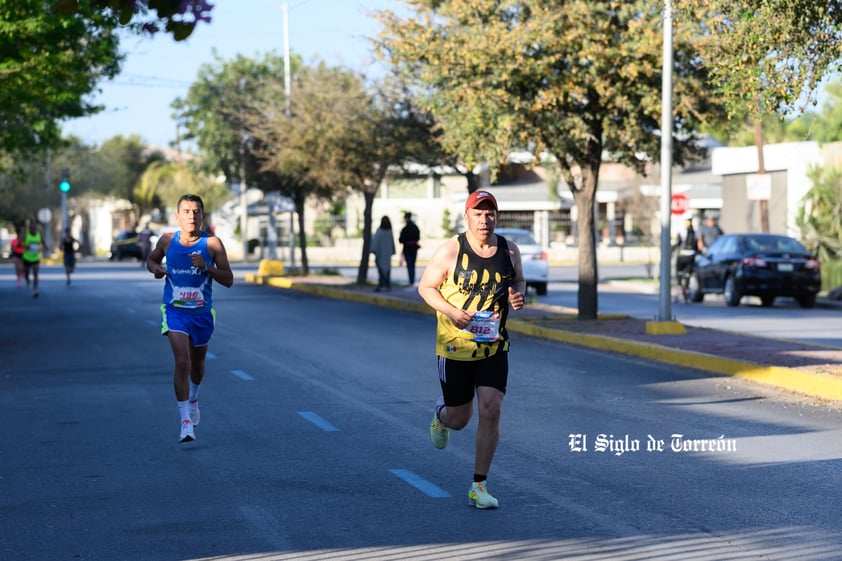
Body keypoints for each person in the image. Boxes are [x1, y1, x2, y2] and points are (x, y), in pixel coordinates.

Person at [417, 189, 526, 509]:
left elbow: (518, 281)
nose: (484, 219)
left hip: (494, 345)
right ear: (467, 217)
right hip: (454, 348)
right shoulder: (450, 251)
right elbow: (426, 287)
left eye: (490, 213)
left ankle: (479, 486)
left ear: (497, 217)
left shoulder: (510, 250)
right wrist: (451, 312)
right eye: (478, 214)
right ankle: (441, 416)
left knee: (491, 408)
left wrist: (518, 297)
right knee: (460, 419)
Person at [146, 194, 234, 443]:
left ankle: (193, 396)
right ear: (177, 216)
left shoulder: (213, 244)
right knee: (182, 362)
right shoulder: (166, 241)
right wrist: (157, 269)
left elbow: (229, 279)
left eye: (196, 212)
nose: (191, 216)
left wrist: (207, 267)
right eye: (186, 211)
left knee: (197, 364)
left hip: (202, 313)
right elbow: (151, 260)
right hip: (175, 311)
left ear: (203, 216)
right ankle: (185, 422)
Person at [22, 220, 48, 298]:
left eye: (34, 228)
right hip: (26, 257)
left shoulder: (38, 234)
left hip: (35, 257)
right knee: (26, 273)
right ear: (29, 228)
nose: (33, 229)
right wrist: (27, 246)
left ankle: (35, 290)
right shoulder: (26, 235)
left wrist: (45, 247)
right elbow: (21, 243)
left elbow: (42, 242)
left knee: (35, 274)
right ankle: (28, 281)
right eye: (31, 228)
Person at [672, 218, 697, 302]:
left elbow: (677, 243)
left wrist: (671, 250)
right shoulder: (694, 233)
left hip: (681, 256)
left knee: (679, 273)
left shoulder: (682, 232)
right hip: (691, 256)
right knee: (687, 275)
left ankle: (679, 287)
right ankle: (686, 289)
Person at [370, 215, 396, 292]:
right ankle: (387, 285)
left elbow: (375, 242)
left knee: (381, 270)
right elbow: (392, 242)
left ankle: (382, 285)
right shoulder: (390, 231)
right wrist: (392, 251)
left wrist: (373, 251)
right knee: (387, 270)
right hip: (387, 255)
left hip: (380, 254)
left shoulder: (379, 231)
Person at [398, 211, 421, 286]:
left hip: (407, 248)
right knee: (413, 264)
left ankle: (411, 280)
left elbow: (401, 240)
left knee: (410, 264)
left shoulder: (405, 229)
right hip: (414, 248)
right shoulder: (415, 227)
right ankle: (412, 279)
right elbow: (418, 237)